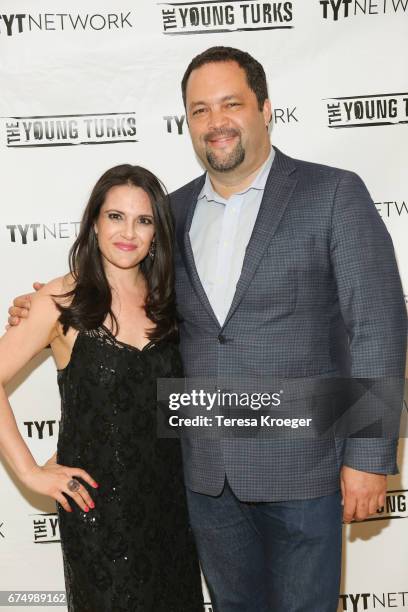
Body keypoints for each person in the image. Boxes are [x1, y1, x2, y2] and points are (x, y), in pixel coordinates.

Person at [9, 47, 407, 612]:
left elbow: (380, 327)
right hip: (202, 481)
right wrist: (42, 305)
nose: (215, 121)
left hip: (303, 469)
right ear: (187, 123)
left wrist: (367, 457)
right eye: (199, 110)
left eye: (230, 103)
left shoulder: (333, 194)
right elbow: (115, 290)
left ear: (266, 109)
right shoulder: (169, 214)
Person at [1, 164, 203, 611]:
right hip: (97, 518)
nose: (128, 232)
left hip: (173, 509)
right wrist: (30, 472)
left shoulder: (174, 303)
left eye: (143, 220)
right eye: (116, 216)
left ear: (156, 234)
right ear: (94, 222)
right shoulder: (60, 300)